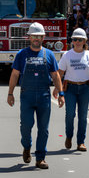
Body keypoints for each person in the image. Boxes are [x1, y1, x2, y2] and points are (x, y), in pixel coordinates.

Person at [7, 22, 65, 170]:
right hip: (27, 94)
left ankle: (40, 158)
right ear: (29, 37)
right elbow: (15, 74)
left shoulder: (49, 54)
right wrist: (10, 93)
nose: (36, 39)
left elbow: (55, 75)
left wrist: (61, 93)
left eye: (39, 36)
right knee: (25, 126)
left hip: (44, 95)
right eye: (34, 36)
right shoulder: (22, 54)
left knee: (43, 129)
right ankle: (27, 147)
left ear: (43, 37)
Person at [56, 28, 89, 151]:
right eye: (75, 39)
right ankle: (69, 137)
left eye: (80, 39)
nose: (77, 42)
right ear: (72, 41)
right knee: (70, 114)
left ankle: (81, 142)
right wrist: (57, 88)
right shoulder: (67, 55)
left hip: (84, 88)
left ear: (84, 41)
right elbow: (60, 73)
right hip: (70, 88)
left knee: (83, 116)